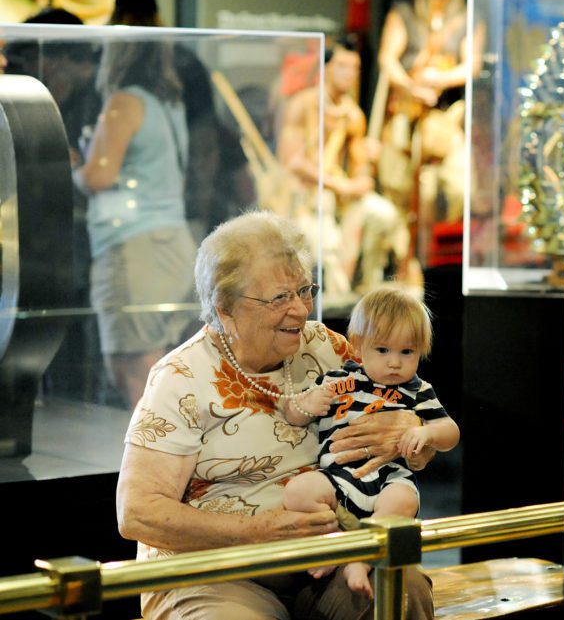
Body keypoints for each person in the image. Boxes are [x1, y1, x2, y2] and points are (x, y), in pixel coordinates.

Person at [115, 211, 435, 619]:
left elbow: (406, 407)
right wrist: (258, 532)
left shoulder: (323, 346)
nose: (301, 311)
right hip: (219, 572)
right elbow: (137, 512)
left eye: (305, 290)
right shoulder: (180, 379)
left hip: (328, 556)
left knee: (400, 589)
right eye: (279, 298)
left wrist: (411, 431)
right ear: (225, 308)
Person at [283, 284, 459, 595]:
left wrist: (426, 431)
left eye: (407, 352)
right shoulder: (339, 381)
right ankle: (335, 544)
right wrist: (307, 404)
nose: (395, 362)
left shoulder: (417, 391)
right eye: (383, 350)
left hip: (389, 478)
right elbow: (292, 413)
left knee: (405, 500)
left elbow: (451, 433)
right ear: (357, 347)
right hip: (338, 477)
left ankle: (360, 558)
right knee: (298, 492)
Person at [72, 37, 197, 409]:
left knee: (132, 369)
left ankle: (152, 464)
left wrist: (75, 167)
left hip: (135, 248)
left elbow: (98, 178)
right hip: (173, 244)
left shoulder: (125, 101)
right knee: (159, 367)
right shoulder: (167, 104)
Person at [109, 0, 255, 239]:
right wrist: (198, 205)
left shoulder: (114, 61)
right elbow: (205, 138)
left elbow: (204, 135)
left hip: (131, 204)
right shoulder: (181, 59)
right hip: (173, 199)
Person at [276, 37, 409, 299]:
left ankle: (366, 288)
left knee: (383, 215)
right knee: (321, 238)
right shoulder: (302, 105)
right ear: (326, 68)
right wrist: (339, 185)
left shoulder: (353, 115)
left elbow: (359, 168)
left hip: (336, 194)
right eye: (341, 66)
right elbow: (292, 161)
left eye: (354, 67)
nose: (348, 74)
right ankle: (335, 296)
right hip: (305, 196)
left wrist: (366, 169)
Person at [376, 0, 472, 270]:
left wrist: (438, 83)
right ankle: (404, 265)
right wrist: (412, 86)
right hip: (407, 111)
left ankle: (435, 263)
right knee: (401, 191)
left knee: (451, 187)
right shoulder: (406, 11)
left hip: (445, 115)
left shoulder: (466, 16)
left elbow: (470, 65)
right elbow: (388, 58)